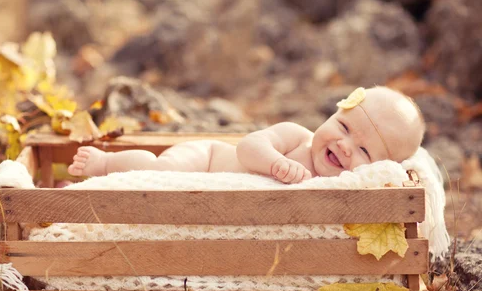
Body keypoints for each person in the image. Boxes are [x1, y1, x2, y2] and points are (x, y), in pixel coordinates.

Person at [67, 86, 425, 184]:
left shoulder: (342, 187)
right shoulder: (296, 137)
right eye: (344, 127)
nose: (344, 146)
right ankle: (105, 164)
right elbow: (248, 146)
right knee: (155, 170)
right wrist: (275, 165)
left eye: (364, 150)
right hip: (205, 161)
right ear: (333, 112)